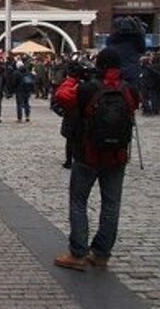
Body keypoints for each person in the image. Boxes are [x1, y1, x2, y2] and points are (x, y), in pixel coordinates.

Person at [52, 48, 138, 271]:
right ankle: (101, 253)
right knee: (111, 204)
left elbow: (62, 97)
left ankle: (78, 252)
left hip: (88, 153)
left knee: (79, 201)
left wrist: (73, 77)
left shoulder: (88, 88)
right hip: (117, 155)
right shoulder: (129, 89)